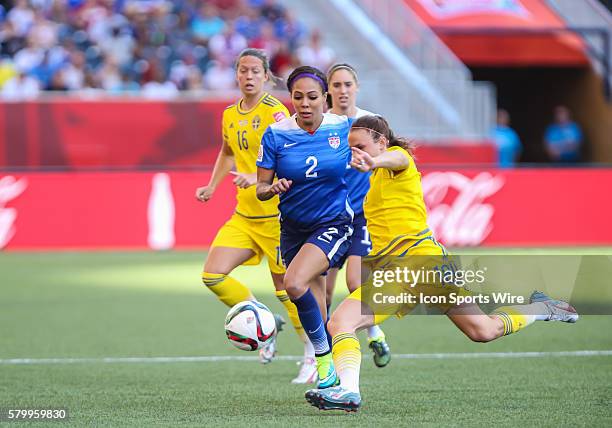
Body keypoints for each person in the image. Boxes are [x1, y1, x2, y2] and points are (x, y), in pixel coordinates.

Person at [305, 115, 579, 412]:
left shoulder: (398, 162)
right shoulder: (374, 178)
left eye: (360, 146)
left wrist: (376, 161)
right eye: (351, 148)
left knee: (341, 321)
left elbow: (397, 158)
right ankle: (542, 308)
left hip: (414, 263)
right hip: (426, 266)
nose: (354, 152)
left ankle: (348, 391)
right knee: (482, 330)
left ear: (382, 142)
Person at [196, 49, 311, 374]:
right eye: (243, 70)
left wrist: (262, 177)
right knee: (213, 275)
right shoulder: (230, 114)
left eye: (254, 71)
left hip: (276, 219)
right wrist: (212, 186)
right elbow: (227, 152)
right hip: (244, 217)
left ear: (265, 76)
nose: (248, 76)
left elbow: (295, 153)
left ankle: (311, 354)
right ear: (236, 74)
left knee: (287, 289)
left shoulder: (274, 111)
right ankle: (262, 319)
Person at [256, 65, 354, 389]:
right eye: (298, 97)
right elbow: (260, 187)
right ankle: (331, 375)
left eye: (312, 96)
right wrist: (273, 188)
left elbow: (382, 148)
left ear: (324, 97)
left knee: (293, 282)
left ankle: (324, 362)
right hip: (293, 229)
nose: (305, 103)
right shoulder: (275, 134)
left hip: (333, 222)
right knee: (317, 303)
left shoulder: (344, 126)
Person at [324, 63, 390, 367]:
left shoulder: (369, 123)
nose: (342, 90)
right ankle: (319, 354)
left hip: (361, 215)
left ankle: (374, 333)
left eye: (347, 84)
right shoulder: (321, 124)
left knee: (355, 281)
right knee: (322, 293)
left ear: (357, 87)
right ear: (328, 90)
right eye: (336, 85)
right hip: (328, 214)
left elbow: (391, 155)